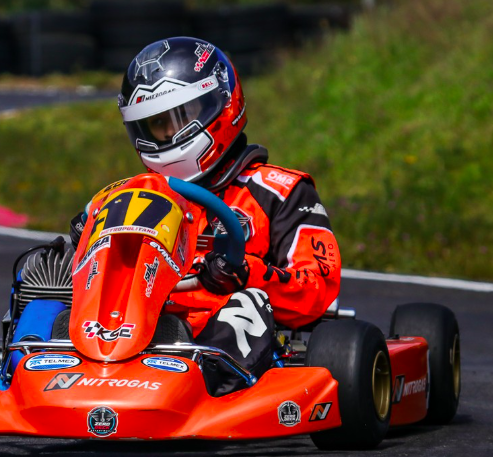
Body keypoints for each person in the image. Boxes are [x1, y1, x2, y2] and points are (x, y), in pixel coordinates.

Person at [70, 37, 341, 396]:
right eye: (156, 125)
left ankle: (205, 385)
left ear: (222, 105)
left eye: (180, 117)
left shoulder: (280, 191)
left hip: (216, 332)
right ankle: (29, 366)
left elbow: (318, 284)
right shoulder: (130, 194)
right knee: (51, 292)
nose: (168, 134)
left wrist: (245, 273)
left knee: (249, 303)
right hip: (135, 322)